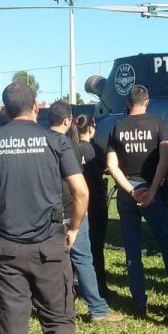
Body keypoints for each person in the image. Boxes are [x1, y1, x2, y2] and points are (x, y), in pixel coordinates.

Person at [0, 82, 88, 334]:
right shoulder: (56, 141)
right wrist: (74, 229)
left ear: (5, 110)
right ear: (36, 107)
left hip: (5, 249)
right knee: (58, 321)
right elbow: (81, 192)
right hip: (50, 247)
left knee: (13, 326)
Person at [105, 84, 168, 316]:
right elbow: (165, 158)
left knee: (132, 248)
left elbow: (111, 165)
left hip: (127, 191)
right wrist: (152, 190)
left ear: (128, 103)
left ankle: (139, 302)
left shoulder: (117, 127)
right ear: (147, 102)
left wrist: (130, 190)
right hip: (152, 189)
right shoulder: (158, 123)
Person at [48, 101, 123, 324]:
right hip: (70, 207)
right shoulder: (67, 144)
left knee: (52, 261)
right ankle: (97, 308)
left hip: (47, 210)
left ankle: (56, 305)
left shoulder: (40, 142)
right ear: (66, 120)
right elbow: (78, 186)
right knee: (83, 257)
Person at [75, 114, 110, 298]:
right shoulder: (94, 150)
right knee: (96, 246)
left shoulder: (71, 148)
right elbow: (108, 167)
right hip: (95, 202)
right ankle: (99, 286)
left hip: (77, 203)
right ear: (90, 128)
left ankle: (76, 283)